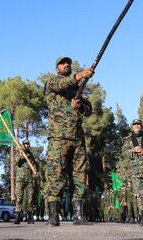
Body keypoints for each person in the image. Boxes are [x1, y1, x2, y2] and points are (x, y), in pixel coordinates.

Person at [44, 56, 94, 226]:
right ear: (57, 68)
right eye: (62, 63)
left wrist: (80, 106)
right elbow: (61, 84)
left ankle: (78, 215)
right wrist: (80, 76)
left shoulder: (77, 90)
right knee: (55, 174)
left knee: (80, 175)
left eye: (68, 63)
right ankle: (53, 215)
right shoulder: (52, 84)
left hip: (77, 138)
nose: (66, 65)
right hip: (58, 138)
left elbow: (89, 110)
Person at [14, 140, 36, 224]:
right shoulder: (19, 153)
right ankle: (17, 217)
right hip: (20, 179)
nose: (27, 145)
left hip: (29, 179)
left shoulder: (31, 155)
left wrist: (36, 172)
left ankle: (30, 217)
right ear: (23, 145)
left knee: (30, 198)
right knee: (19, 198)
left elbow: (34, 164)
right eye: (25, 144)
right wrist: (20, 154)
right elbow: (16, 162)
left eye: (28, 144)